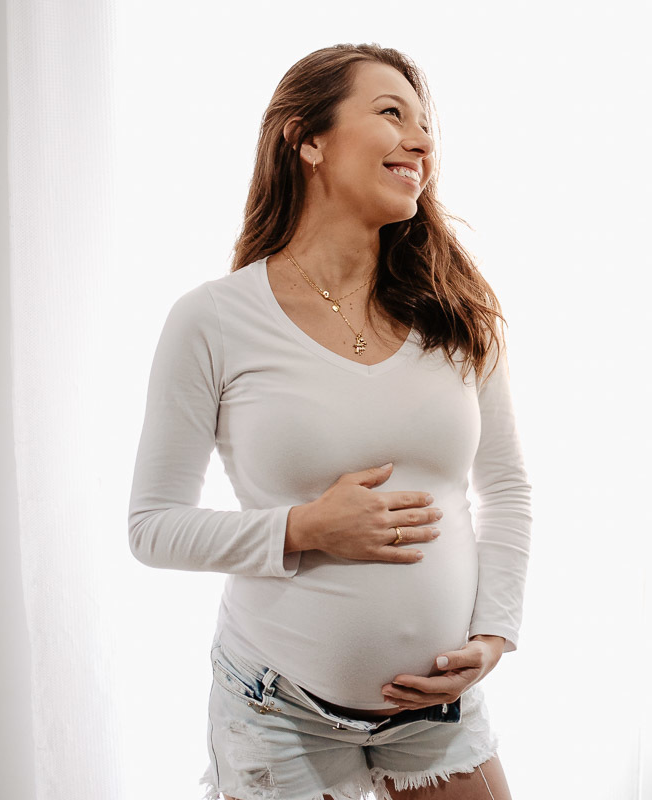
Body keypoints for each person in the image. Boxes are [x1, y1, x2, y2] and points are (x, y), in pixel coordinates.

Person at [127, 43, 532, 800]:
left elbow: (505, 487)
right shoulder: (214, 320)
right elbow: (152, 526)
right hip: (277, 710)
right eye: (390, 114)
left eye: (425, 125)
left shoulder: (455, 312)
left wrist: (493, 635)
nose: (421, 141)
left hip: (436, 708)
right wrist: (303, 528)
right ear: (306, 139)